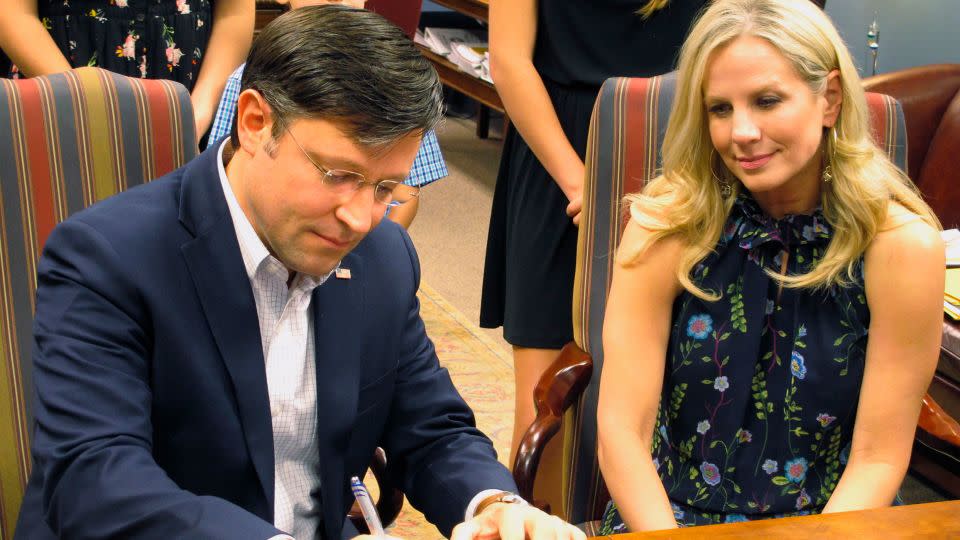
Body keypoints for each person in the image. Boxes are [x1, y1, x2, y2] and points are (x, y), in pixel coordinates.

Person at [13, 6, 584, 540]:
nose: (361, 218)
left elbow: (433, 428)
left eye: (386, 188)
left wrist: (494, 507)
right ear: (256, 121)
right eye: (340, 174)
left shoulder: (381, 257)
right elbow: (96, 481)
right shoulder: (109, 256)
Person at [597, 0, 944, 532]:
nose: (741, 131)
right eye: (719, 108)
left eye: (766, 101)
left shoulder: (901, 247)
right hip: (666, 521)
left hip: (830, 524)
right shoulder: (665, 226)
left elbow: (877, 458)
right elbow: (623, 430)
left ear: (829, 99)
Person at [482, 0, 707, 467]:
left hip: (680, 150)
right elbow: (508, 61)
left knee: (684, 378)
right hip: (557, 147)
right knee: (546, 396)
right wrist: (580, 182)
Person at [205, 0, 448, 229]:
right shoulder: (250, 80)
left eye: (385, 187)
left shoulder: (402, 84)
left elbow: (406, 196)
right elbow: (225, 177)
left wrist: (369, 251)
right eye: (337, 174)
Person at [0, 0, 254, 137]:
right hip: (59, 99)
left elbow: (233, 13)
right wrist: (82, 102)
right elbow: (13, 12)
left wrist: (196, 114)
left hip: (190, 101)